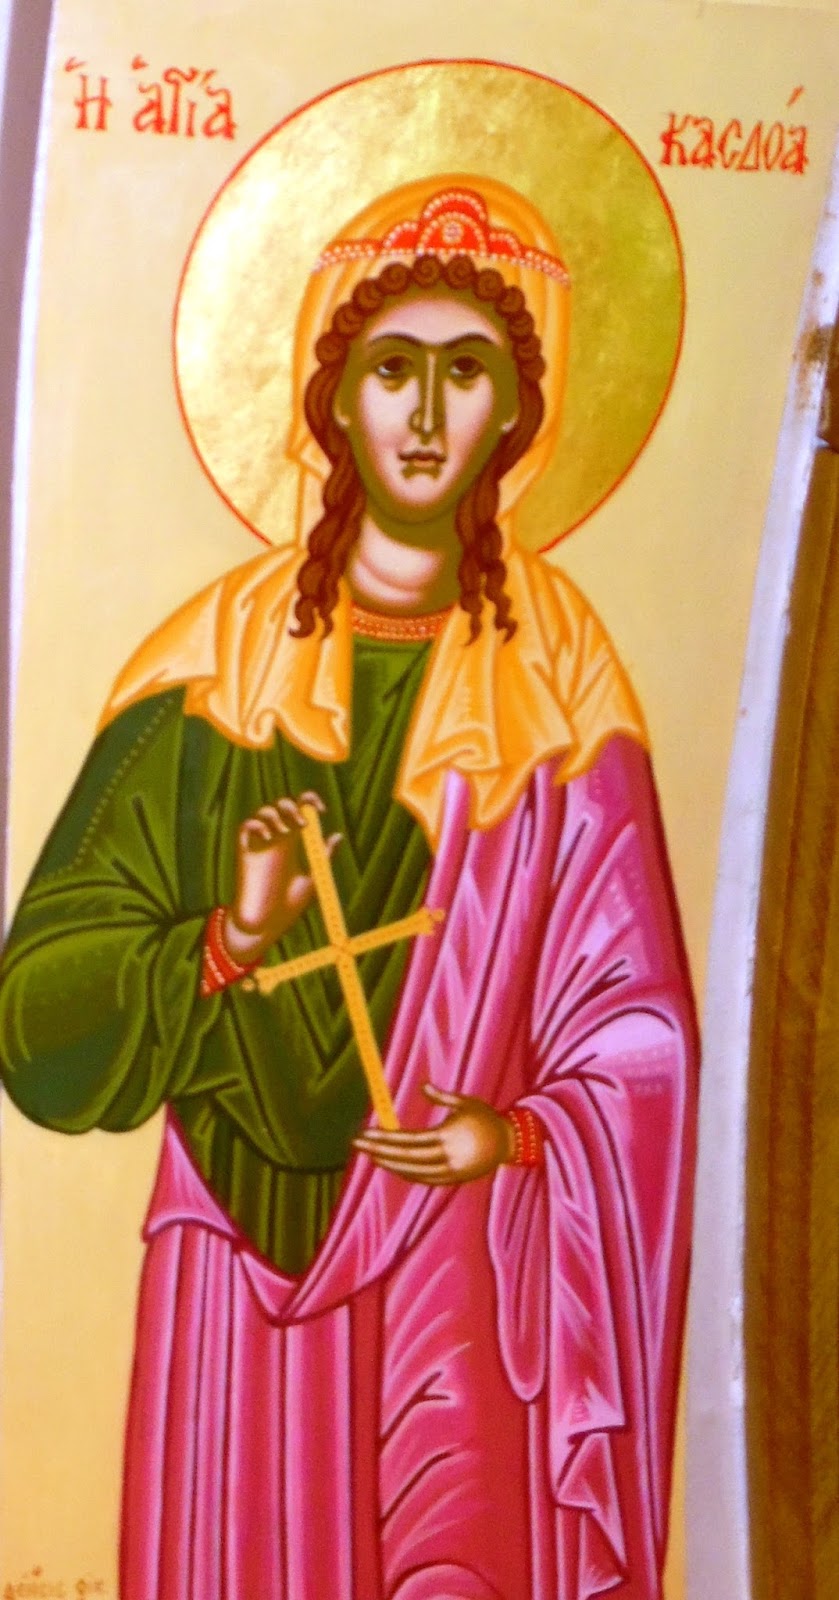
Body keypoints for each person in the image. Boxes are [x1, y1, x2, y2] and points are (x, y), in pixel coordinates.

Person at [0, 178, 698, 1600]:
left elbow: (639, 1026)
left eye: (466, 372)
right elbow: (39, 1014)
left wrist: (516, 1135)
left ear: (519, 410)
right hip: (242, 1274)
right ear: (333, 400)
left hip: (458, 1267)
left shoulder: (560, 678)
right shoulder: (216, 665)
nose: (426, 415)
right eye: (393, 370)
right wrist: (227, 936)